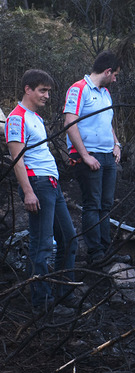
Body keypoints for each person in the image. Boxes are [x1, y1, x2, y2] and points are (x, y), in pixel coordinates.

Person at [5, 69, 78, 315]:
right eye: (42, 91)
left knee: (68, 239)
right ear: (28, 89)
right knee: (42, 244)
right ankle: (42, 303)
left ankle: (64, 295)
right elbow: (17, 158)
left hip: (52, 184)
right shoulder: (17, 118)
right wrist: (28, 192)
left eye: (48, 91)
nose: (47, 96)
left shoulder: (35, 117)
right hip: (38, 184)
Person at [64, 50, 122, 265]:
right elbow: (70, 123)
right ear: (107, 71)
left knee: (106, 205)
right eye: (114, 74)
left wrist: (116, 144)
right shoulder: (79, 89)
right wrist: (85, 155)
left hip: (108, 156)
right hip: (89, 156)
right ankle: (95, 254)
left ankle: (106, 251)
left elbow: (107, 122)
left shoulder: (105, 93)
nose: (115, 79)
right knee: (92, 205)